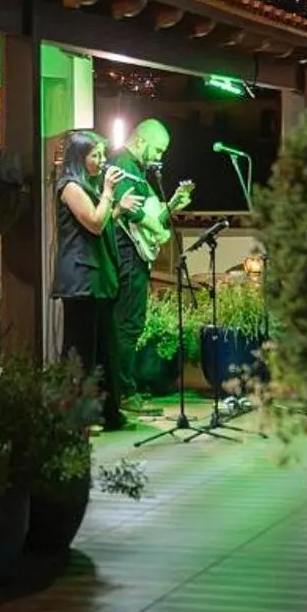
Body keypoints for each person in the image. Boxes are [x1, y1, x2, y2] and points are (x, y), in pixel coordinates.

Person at [51, 130, 139, 430]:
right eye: (95, 155)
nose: (102, 161)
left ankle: (107, 413)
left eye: (102, 154)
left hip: (98, 279)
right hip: (82, 281)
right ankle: (77, 417)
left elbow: (100, 222)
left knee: (105, 350)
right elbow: (95, 223)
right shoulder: (70, 187)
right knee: (81, 353)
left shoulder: (87, 186)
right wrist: (109, 191)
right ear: (79, 157)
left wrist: (118, 208)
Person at [106, 119, 193, 411]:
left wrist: (173, 204)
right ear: (141, 140)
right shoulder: (122, 163)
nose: (159, 157)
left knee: (132, 322)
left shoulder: (137, 170)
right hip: (127, 255)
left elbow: (152, 215)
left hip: (135, 255)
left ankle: (123, 390)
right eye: (157, 150)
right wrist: (160, 231)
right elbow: (130, 211)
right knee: (128, 324)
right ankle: (123, 393)